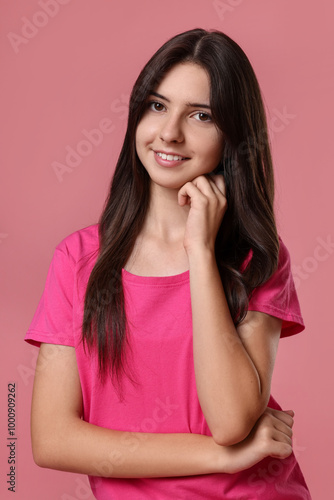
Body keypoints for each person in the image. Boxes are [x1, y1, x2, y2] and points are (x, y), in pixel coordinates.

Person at [25, 28, 312, 499]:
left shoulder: (259, 257)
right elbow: (52, 440)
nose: (170, 132)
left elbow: (232, 419)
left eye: (201, 115)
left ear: (233, 135)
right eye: (157, 106)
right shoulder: (77, 261)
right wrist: (222, 458)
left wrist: (200, 251)